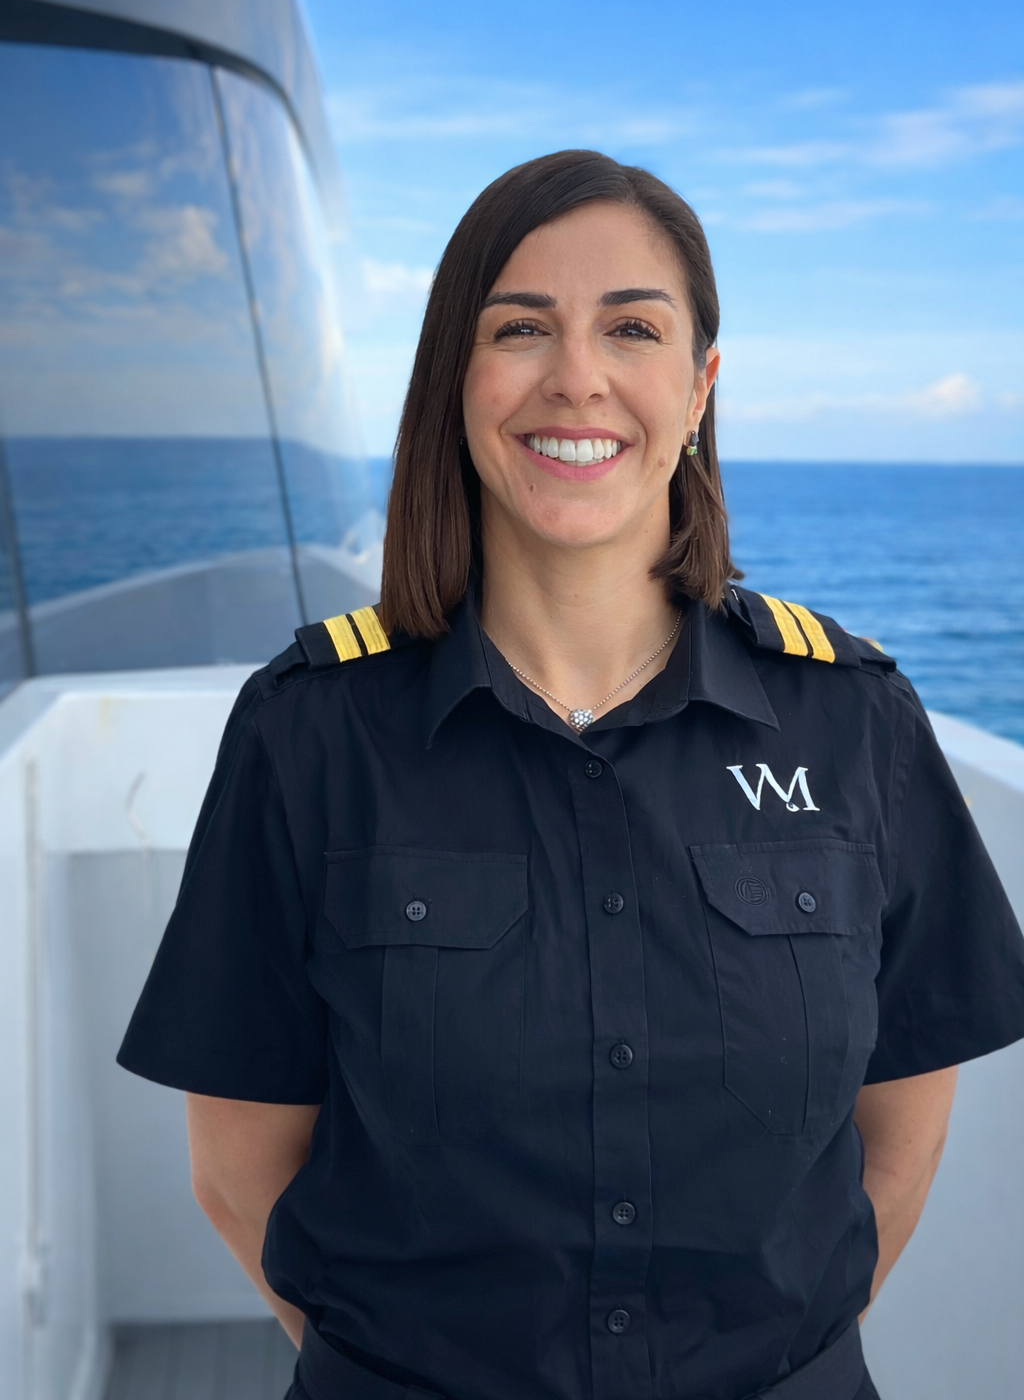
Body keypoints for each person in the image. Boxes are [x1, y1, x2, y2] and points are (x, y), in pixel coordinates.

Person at [118, 150, 1024, 1400]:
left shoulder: (850, 723)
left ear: (700, 385)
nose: (577, 377)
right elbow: (239, 1171)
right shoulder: (310, 734)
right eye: (521, 327)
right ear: (457, 381)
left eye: (633, 328)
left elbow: (899, 1144)